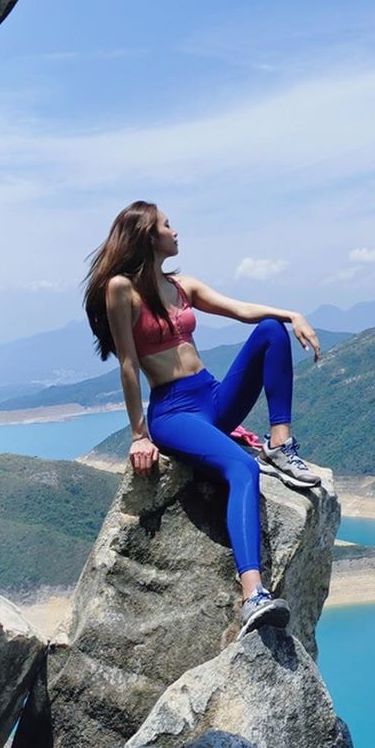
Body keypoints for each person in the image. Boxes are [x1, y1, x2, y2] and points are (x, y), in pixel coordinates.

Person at [82, 200, 323, 638]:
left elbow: (240, 310)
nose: (176, 231)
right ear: (147, 237)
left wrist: (291, 315)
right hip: (173, 411)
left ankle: (281, 444)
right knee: (241, 467)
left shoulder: (182, 284)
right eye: (167, 225)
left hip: (211, 396)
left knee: (270, 331)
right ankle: (253, 594)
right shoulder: (122, 289)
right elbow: (127, 365)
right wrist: (139, 435)